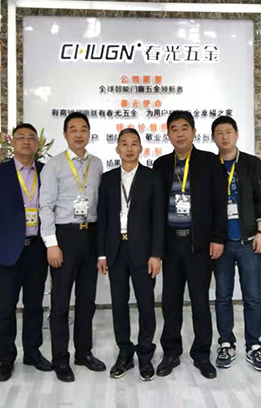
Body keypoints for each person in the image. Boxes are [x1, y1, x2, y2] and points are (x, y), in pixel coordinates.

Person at [153, 110, 227, 380]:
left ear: (194, 132)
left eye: (185, 128)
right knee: (170, 301)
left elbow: (220, 202)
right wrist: (156, 248)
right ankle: (171, 352)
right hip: (171, 244)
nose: (180, 133)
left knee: (199, 301)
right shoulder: (161, 164)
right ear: (168, 134)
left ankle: (202, 354)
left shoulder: (209, 162)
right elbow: (156, 209)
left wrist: (218, 238)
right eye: (174, 129)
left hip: (199, 245)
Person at [0, 123, 51, 382]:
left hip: (37, 250)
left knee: (34, 306)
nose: (26, 142)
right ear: (13, 142)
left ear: (37, 144)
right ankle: (6, 359)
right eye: (21, 137)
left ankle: (32, 352)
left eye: (31, 137)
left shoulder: (46, 171)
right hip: (7, 252)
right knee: (6, 308)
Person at [39, 112, 105, 383]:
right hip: (64, 237)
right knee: (60, 303)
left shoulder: (97, 164)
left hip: (91, 236)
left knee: (87, 301)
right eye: (73, 129)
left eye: (83, 129)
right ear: (65, 134)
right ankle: (60, 359)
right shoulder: (53, 165)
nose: (79, 134)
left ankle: (83, 352)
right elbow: (45, 206)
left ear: (89, 133)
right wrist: (51, 244)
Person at [97, 128, 165, 381]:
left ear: (140, 149)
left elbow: (158, 219)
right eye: (124, 144)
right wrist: (101, 254)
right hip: (116, 251)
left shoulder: (152, 178)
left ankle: (145, 354)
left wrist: (156, 254)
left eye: (134, 144)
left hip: (144, 253)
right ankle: (124, 353)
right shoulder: (107, 179)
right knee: (119, 305)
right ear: (117, 149)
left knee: (146, 305)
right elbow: (103, 217)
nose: (129, 148)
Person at [210, 116, 261, 372]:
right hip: (221, 243)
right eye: (219, 133)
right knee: (222, 296)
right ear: (213, 137)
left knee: (252, 296)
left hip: (248, 240)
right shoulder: (209, 165)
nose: (224, 137)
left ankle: (254, 345)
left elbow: (260, 199)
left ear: (236, 134)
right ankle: (226, 343)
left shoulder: (252, 163)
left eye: (229, 132)